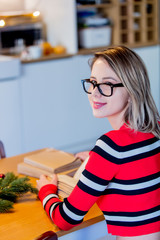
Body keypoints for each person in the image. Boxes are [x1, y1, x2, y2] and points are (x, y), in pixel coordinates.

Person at [37, 46, 160, 240]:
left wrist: (46, 191)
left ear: (131, 90)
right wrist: (97, 159)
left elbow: (65, 219)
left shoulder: (111, 146)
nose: (95, 93)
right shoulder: (155, 129)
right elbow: (137, 166)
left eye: (107, 84)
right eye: (93, 82)